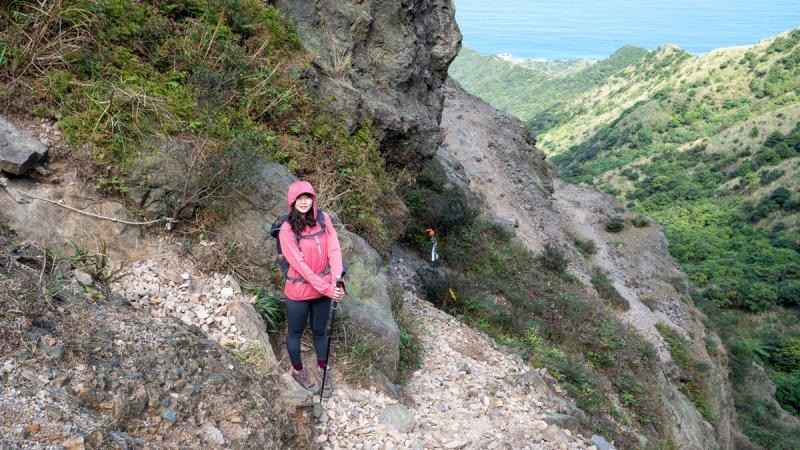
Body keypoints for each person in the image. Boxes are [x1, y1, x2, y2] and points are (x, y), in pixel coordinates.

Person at [279, 180, 345, 398]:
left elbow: (334, 250)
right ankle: (299, 371)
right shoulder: (287, 229)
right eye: (299, 198)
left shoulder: (323, 219)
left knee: (320, 332)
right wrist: (328, 289)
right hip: (298, 293)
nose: (304, 201)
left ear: (313, 198)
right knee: (295, 333)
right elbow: (302, 268)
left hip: (323, 289)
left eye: (307, 197)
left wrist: (337, 281)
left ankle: (322, 367)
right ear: (292, 201)